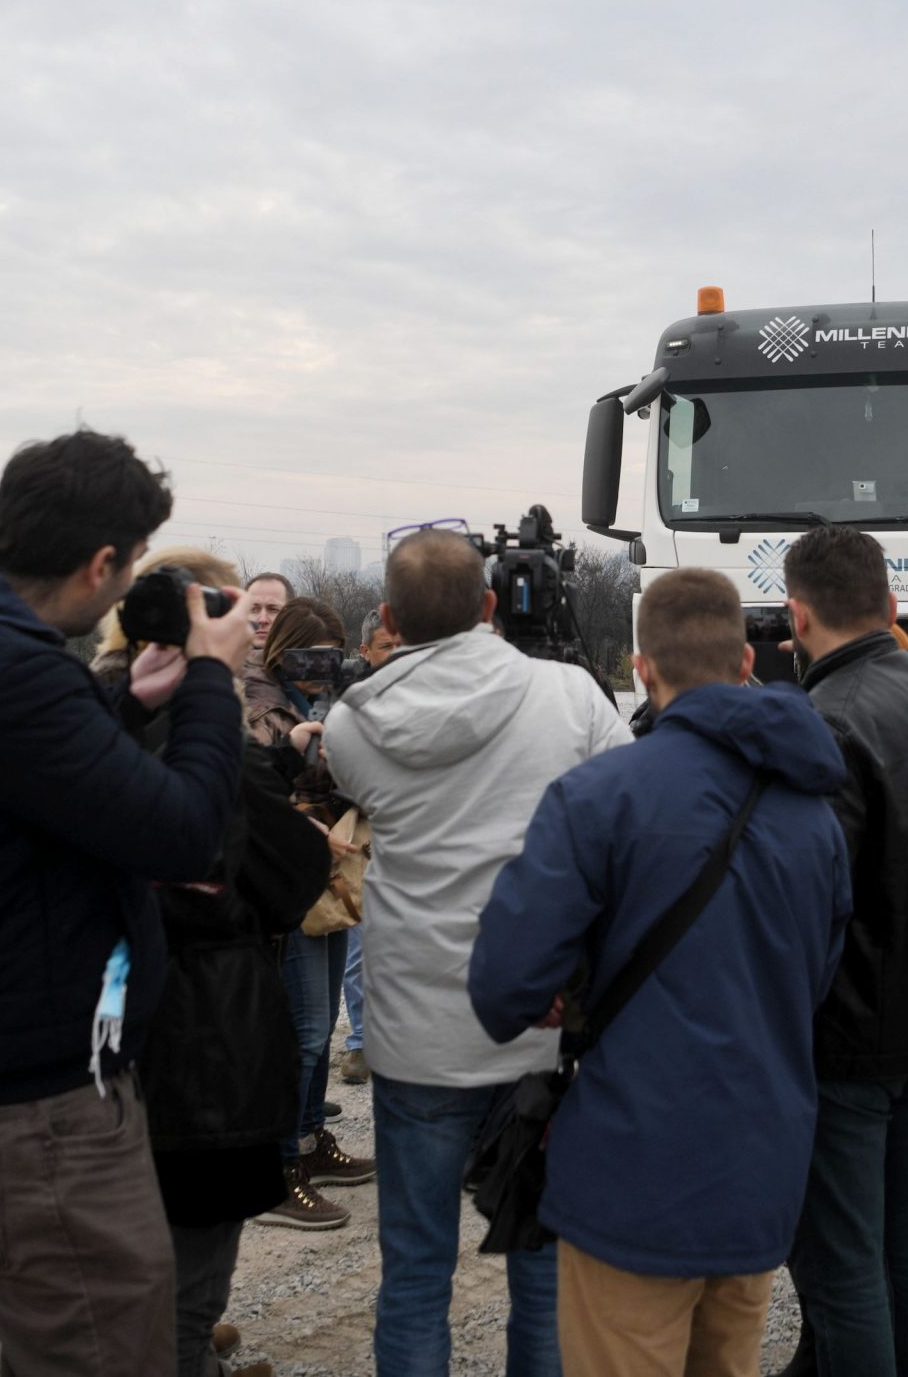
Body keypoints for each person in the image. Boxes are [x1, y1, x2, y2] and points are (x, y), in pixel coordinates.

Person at [0, 429, 258, 1375]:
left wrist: (128, 710)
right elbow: (186, 832)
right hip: (35, 1118)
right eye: (127, 570)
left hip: (11, 1092)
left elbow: (23, 796)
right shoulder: (1, 667)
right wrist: (209, 677)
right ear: (100, 562)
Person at [469, 569, 853, 1377]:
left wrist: (568, 991)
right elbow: (811, 979)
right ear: (747, 660)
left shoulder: (597, 795)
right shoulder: (814, 811)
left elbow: (501, 990)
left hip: (632, 1172)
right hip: (761, 1164)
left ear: (641, 668)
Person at [321, 525, 631, 1377]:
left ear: (386, 615)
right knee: (539, 1269)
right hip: (539, 1018)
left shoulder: (356, 722)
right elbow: (626, 806)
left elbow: (354, 791)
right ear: (491, 604)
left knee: (416, 1271)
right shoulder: (570, 694)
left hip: (416, 1028)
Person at [93, 545, 331, 1377]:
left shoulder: (74, 722)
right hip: (205, 1035)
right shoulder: (212, 749)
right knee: (190, 1277)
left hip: (95, 1034)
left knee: (115, 1261)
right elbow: (295, 873)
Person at [780, 524, 908, 1377]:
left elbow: (814, 899)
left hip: (853, 1028)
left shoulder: (822, 720)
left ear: (797, 615)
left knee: (842, 1262)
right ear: (891, 604)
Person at [240, 597, 373, 1230]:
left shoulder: (334, 696)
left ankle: (312, 1136)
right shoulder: (258, 705)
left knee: (321, 1019)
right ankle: (280, 1166)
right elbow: (257, 793)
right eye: (306, 658)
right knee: (306, 1023)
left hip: (331, 876)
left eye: (329, 657)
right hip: (290, 879)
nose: (318, 670)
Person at [342, 614, 400, 1089]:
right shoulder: (347, 703)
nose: (394, 658)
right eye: (385, 648)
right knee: (359, 948)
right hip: (361, 837)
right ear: (364, 652)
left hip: (408, 836)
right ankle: (361, 1041)